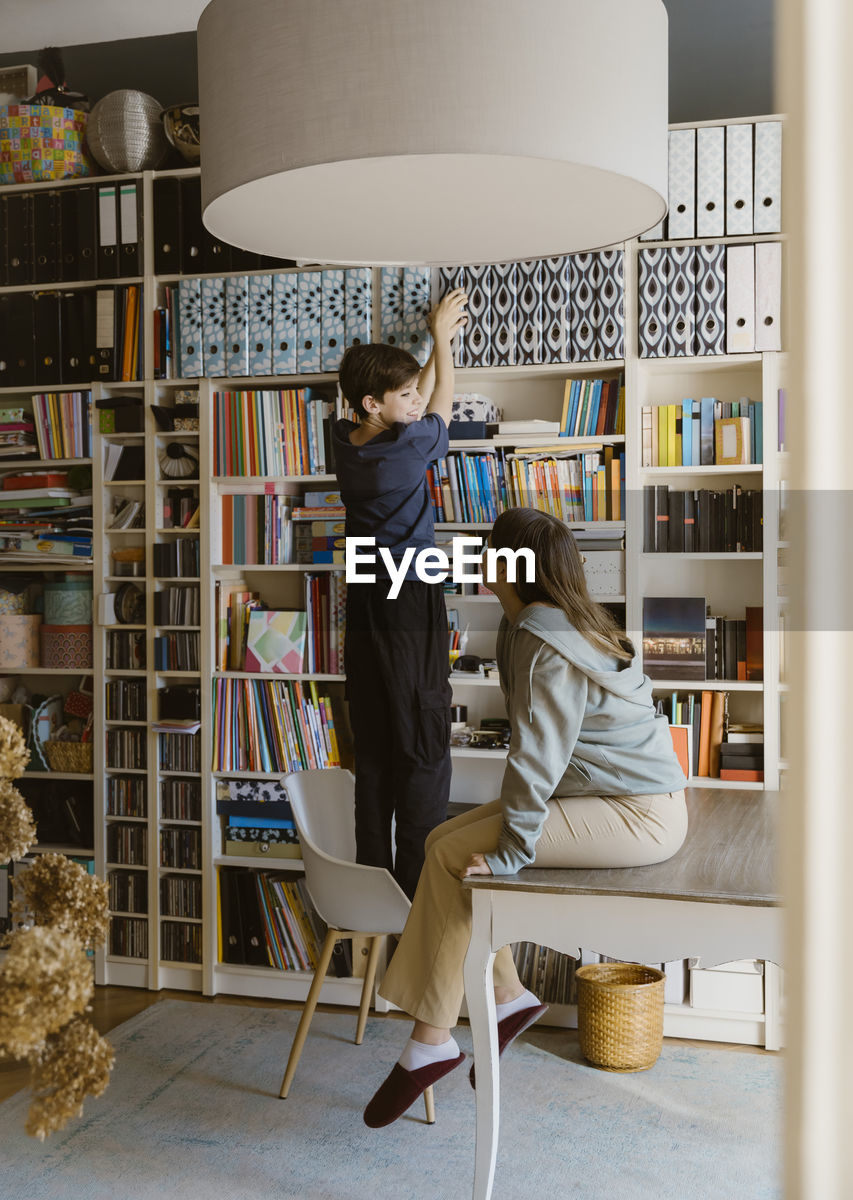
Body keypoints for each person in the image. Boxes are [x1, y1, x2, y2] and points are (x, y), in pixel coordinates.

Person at [363, 506, 688, 1128]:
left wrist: (512, 851)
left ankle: (432, 1039)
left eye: (489, 549)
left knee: (460, 857)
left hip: (635, 815)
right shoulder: (536, 624)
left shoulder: (542, 638)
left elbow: (535, 758)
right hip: (604, 796)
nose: (482, 558)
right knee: (439, 841)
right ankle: (506, 999)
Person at [332, 288, 468, 900]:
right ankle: (418, 904)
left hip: (365, 599)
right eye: (403, 395)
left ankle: (371, 902)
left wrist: (417, 365)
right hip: (408, 601)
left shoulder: (348, 439)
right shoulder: (405, 451)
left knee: (378, 749)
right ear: (372, 402)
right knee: (423, 744)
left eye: (413, 391)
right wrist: (442, 339)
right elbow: (440, 407)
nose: (415, 402)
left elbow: (415, 404)